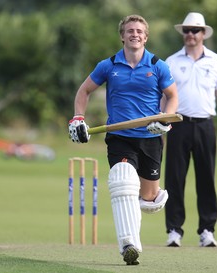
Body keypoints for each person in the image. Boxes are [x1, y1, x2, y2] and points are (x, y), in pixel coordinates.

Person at [68, 15, 178, 265]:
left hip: (149, 137)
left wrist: (165, 117)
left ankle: (150, 197)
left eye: (139, 31)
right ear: (122, 35)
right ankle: (129, 245)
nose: (135, 34)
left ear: (146, 36)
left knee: (149, 202)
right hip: (119, 136)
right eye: (130, 30)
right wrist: (78, 117)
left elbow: (172, 96)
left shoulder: (157, 65)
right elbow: (84, 91)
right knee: (122, 181)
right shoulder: (108, 65)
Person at [164, 12, 217, 247]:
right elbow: (163, 96)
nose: (190, 34)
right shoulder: (172, 62)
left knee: (206, 179)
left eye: (195, 30)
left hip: (204, 125)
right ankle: (174, 230)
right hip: (177, 124)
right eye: (186, 30)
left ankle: (207, 230)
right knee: (174, 178)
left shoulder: (214, 60)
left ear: (203, 34)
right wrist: (162, 124)